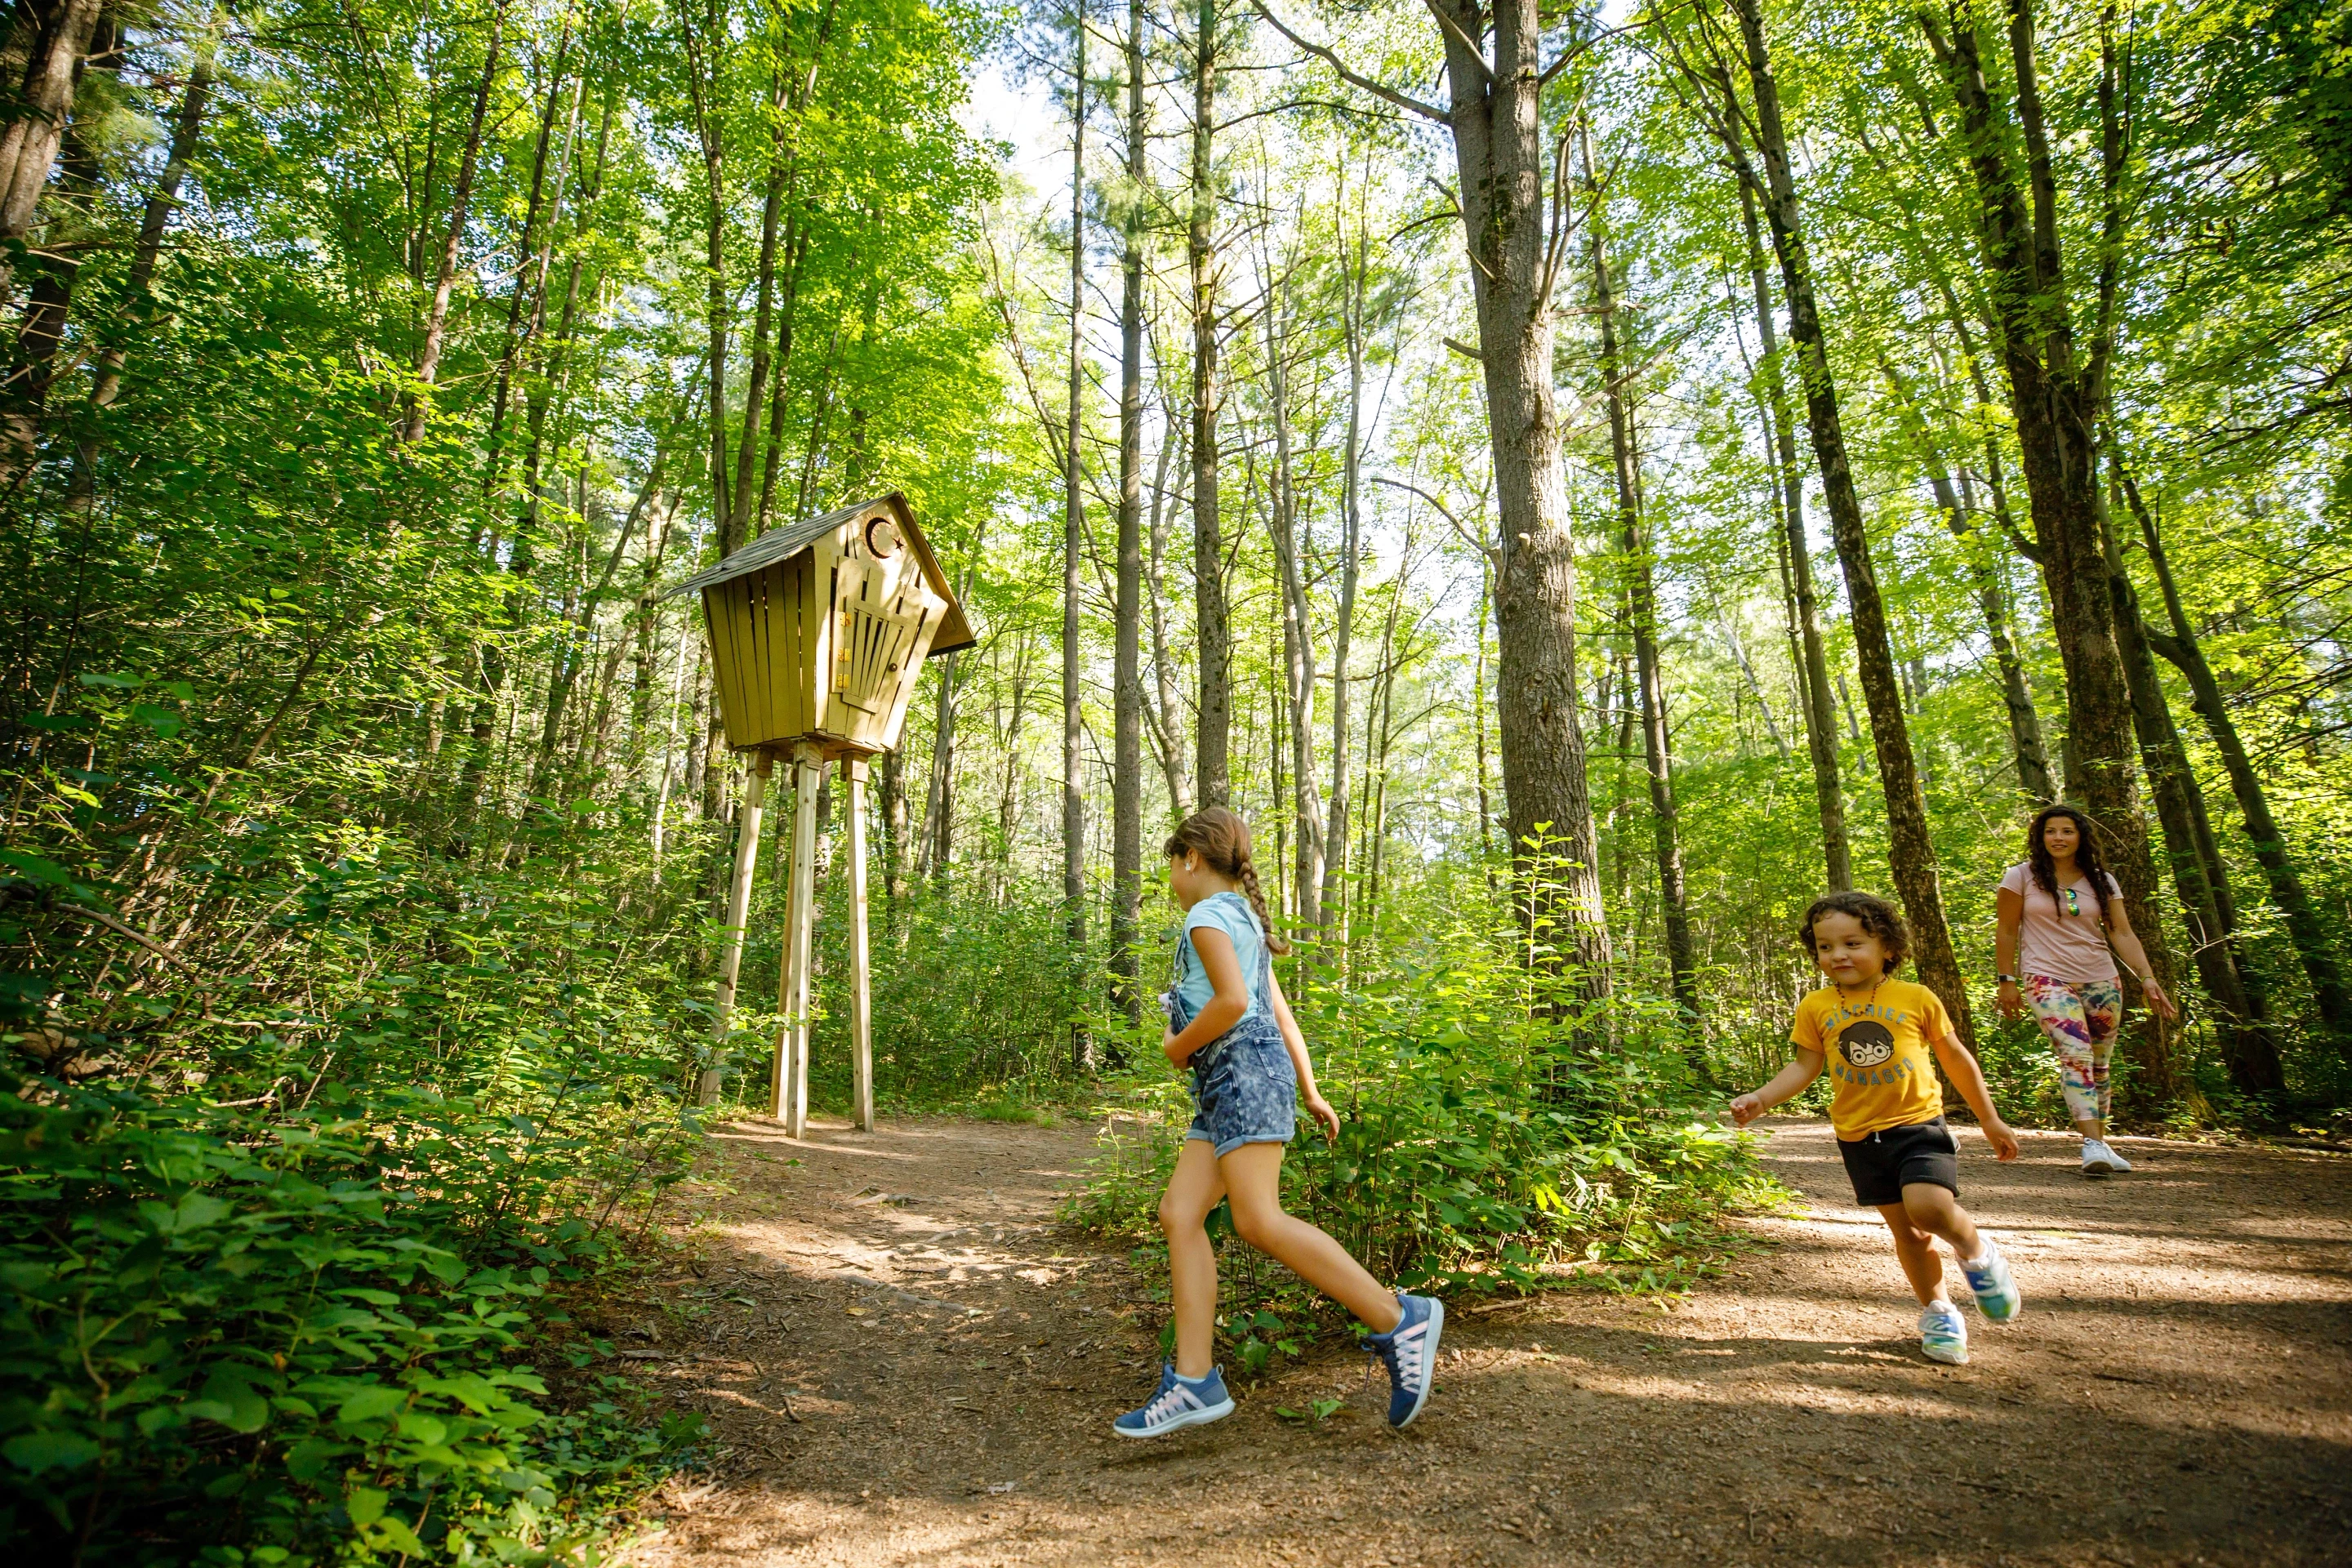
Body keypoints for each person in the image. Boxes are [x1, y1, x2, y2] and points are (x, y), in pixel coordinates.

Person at [1112, 806, 1443, 1438]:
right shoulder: (1245, 919)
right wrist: (1310, 1090)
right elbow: (1278, 1015)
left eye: (1172, 868)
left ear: (1190, 858)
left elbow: (1236, 1004)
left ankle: (1398, 1318)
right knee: (1181, 1213)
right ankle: (1194, 1380)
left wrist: (1175, 1047)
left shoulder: (1207, 916)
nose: (1172, 883)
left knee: (1258, 1219)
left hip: (1238, 1073)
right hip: (1238, 1079)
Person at [1731, 891, 2025, 1366]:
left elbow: (1956, 1059)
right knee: (1909, 1233)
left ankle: (1977, 1252)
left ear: (1887, 946)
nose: (1838, 955)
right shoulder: (1816, 1005)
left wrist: (1989, 1118)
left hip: (1919, 1123)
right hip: (1858, 1135)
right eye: (1825, 948)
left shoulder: (1915, 998)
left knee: (1929, 1209)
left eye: (1852, 943)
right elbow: (1805, 1067)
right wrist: (1762, 1098)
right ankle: (1939, 1311)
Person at [1993, 802, 2176, 1176]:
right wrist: (2006, 980)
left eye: (2066, 831)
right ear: (2039, 838)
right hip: (2046, 977)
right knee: (2075, 1055)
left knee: (2100, 1064)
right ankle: (2091, 1144)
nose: (2058, 838)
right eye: (2050, 832)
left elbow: (2121, 932)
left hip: (2101, 979)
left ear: (2080, 838)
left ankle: (2102, 1143)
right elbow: (2007, 930)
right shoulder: (2020, 877)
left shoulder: (2101, 881)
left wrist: (2147, 976)